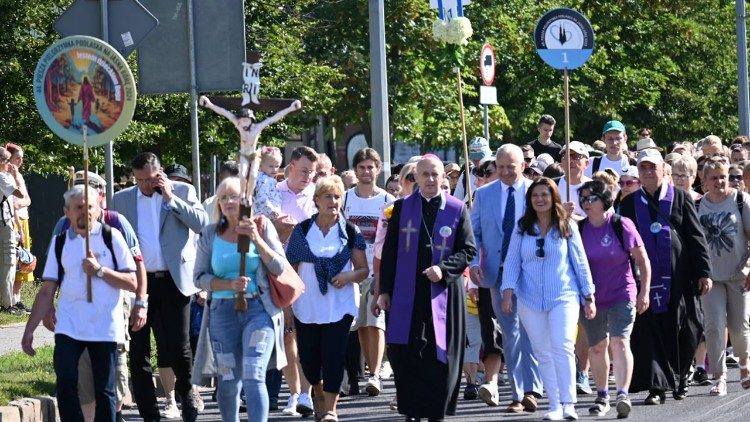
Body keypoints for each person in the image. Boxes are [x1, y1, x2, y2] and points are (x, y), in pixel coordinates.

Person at [22, 186, 137, 421]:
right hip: (70, 326)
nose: (84, 212)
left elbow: (132, 282)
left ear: (98, 210)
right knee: (65, 381)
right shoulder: (60, 242)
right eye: (78, 207)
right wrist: (29, 328)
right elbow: (47, 290)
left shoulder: (111, 237)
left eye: (90, 207)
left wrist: (101, 271)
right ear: (67, 212)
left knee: (104, 391)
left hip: (104, 327)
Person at [377, 155, 477, 421]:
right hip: (406, 293)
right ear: (416, 178)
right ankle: (412, 409)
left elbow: (468, 250)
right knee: (408, 351)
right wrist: (384, 290)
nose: (431, 180)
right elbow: (390, 252)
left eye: (435, 174)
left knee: (439, 353)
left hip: (444, 292)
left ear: (443, 177)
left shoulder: (457, 208)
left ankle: (436, 411)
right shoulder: (401, 208)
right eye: (425, 175)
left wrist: (443, 269)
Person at [111, 152, 208, 422]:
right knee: (139, 350)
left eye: (150, 179)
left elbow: (200, 224)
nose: (145, 185)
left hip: (175, 280)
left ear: (161, 172)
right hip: (140, 283)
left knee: (178, 346)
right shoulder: (122, 199)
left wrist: (170, 198)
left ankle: (187, 395)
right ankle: (149, 412)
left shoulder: (183, 191)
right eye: (139, 180)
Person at [47, 171, 147, 422]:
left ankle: (114, 415)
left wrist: (140, 302)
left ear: (100, 198)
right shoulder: (63, 228)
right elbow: (54, 274)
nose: (83, 209)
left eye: (88, 201)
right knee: (76, 377)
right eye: (77, 203)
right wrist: (48, 306)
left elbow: (137, 266)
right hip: (74, 318)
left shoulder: (116, 224)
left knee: (111, 380)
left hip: (112, 309)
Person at [618, 149, 713, 404]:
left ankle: (680, 377)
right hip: (646, 282)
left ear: (663, 169)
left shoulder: (680, 198)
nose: (648, 172)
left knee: (688, 328)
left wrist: (704, 272)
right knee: (651, 332)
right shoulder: (628, 204)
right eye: (643, 168)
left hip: (680, 279)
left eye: (653, 167)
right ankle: (657, 387)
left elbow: (695, 237)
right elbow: (622, 242)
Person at [191, 176, 289, 421]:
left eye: (233, 196)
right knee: (227, 378)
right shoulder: (210, 234)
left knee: (254, 373)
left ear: (245, 199)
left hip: (258, 309)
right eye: (223, 198)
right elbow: (199, 277)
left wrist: (256, 238)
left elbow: (279, 267)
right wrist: (226, 284)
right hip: (222, 312)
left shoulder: (262, 226)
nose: (228, 202)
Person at [501, 177, 596, 421]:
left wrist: (589, 295)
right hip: (529, 298)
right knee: (542, 351)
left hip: (563, 295)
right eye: (535, 196)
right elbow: (512, 260)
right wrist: (507, 291)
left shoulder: (566, 225)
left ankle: (568, 403)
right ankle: (553, 404)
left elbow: (580, 261)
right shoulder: (522, 227)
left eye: (544, 194)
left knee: (562, 346)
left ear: (552, 197)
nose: (540, 199)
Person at [286, 176, 369, 421]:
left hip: (339, 307)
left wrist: (348, 276)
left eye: (337, 196)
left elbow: (363, 269)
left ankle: (331, 408)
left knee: (333, 357)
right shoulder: (302, 231)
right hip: (306, 306)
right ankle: (319, 394)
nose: (333, 201)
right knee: (309, 360)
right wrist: (287, 306)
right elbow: (290, 269)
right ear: (316, 201)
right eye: (327, 197)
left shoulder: (350, 232)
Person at [469, 144, 542, 412]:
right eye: (500, 167)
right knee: (510, 332)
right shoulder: (483, 194)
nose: (505, 172)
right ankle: (518, 393)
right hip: (497, 273)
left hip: (530, 270)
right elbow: (473, 233)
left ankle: (533, 389)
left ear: (522, 165)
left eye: (511, 167)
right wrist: (474, 263)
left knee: (529, 329)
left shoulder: (536, 192)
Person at [577, 180, 652, 418]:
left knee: (620, 342)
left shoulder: (622, 225)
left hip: (622, 292)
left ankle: (622, 393)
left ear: (604, 200)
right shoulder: (578, 230)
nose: (586, 203)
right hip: (591, 298)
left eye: (591, 198)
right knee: (597, 347)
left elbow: (642, 260)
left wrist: (644, 292)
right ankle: (602, 396)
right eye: (584, 199)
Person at [694, 158, 750, 396]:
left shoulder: (740, 201)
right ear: (704, 181)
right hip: (711, 277)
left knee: (739, 328)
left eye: (723, 176)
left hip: (739, 275)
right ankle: (719, 376)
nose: (719, 181)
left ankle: (745, 366)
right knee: (714, 326)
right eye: (713, 177)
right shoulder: (697, 206)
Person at [343, 148, 394, 397]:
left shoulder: (388, 201)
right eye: (361, 167)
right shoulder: (344, 199)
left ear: (378, 169)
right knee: (361, 324)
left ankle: (375, 375)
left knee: (376, 322)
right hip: (352, 271)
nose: (366, 171)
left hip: (377, 270)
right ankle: (368, 370)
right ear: (355, 170)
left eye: (370, 167)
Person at [271, 146, 318, 415]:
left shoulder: (317, 196)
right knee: (287, 333)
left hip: (310, 272)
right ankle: (293, 392)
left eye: (311, 172)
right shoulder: (273, 194)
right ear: (290, 168)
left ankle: (306, 394)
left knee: (307, 333)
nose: (308, 177)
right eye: (303, 171)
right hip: (280, 271)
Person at [199, 96, 302, 200]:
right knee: (242, 175)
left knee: (253, 175)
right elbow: (224, 112)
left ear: (251, 120)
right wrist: (209, 104)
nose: (243, 123)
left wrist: (290, 108)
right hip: (244, 154)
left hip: (253, 155)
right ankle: (243, 195)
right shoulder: (239, 125)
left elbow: (274, 118)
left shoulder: (257, 127)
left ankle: (248, 196)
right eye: (242, 120)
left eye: (245, 120)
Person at [6, 143, 32, 313]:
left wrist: (21, 203)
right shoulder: (6, 177)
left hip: (24, 218)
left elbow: (27, 199)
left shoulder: (19, 175)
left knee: (25, 260)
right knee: (13, 260)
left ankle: (18, 298)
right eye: (17, 158)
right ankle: (10, 300)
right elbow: (12, 205)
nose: (20, 161)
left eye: (22, 158)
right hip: (13, 221)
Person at [0, 146, 25, 315]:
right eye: (6, 161)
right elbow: (21, 195)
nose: (9, 164)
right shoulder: (3, 177)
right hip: (3, 223)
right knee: (8, 262)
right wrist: (16, 176)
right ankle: (7, 303)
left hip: (5, 221)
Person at [558, 141, 592, 220]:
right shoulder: (552, 186)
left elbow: (605, 219)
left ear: (586, 163)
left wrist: (573, 218)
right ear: (561, 162)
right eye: (566, 156)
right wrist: (560, 212)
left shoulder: (596, 188)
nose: (570, 161)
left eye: (576, 156)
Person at [254, 146, 283, 219]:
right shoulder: (264, 179)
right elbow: (262, 198)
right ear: (260, 166)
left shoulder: (266, 178)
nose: (274, 169)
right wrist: (272, 211)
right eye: (271, 166)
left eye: (277, 166)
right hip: (266, 216)